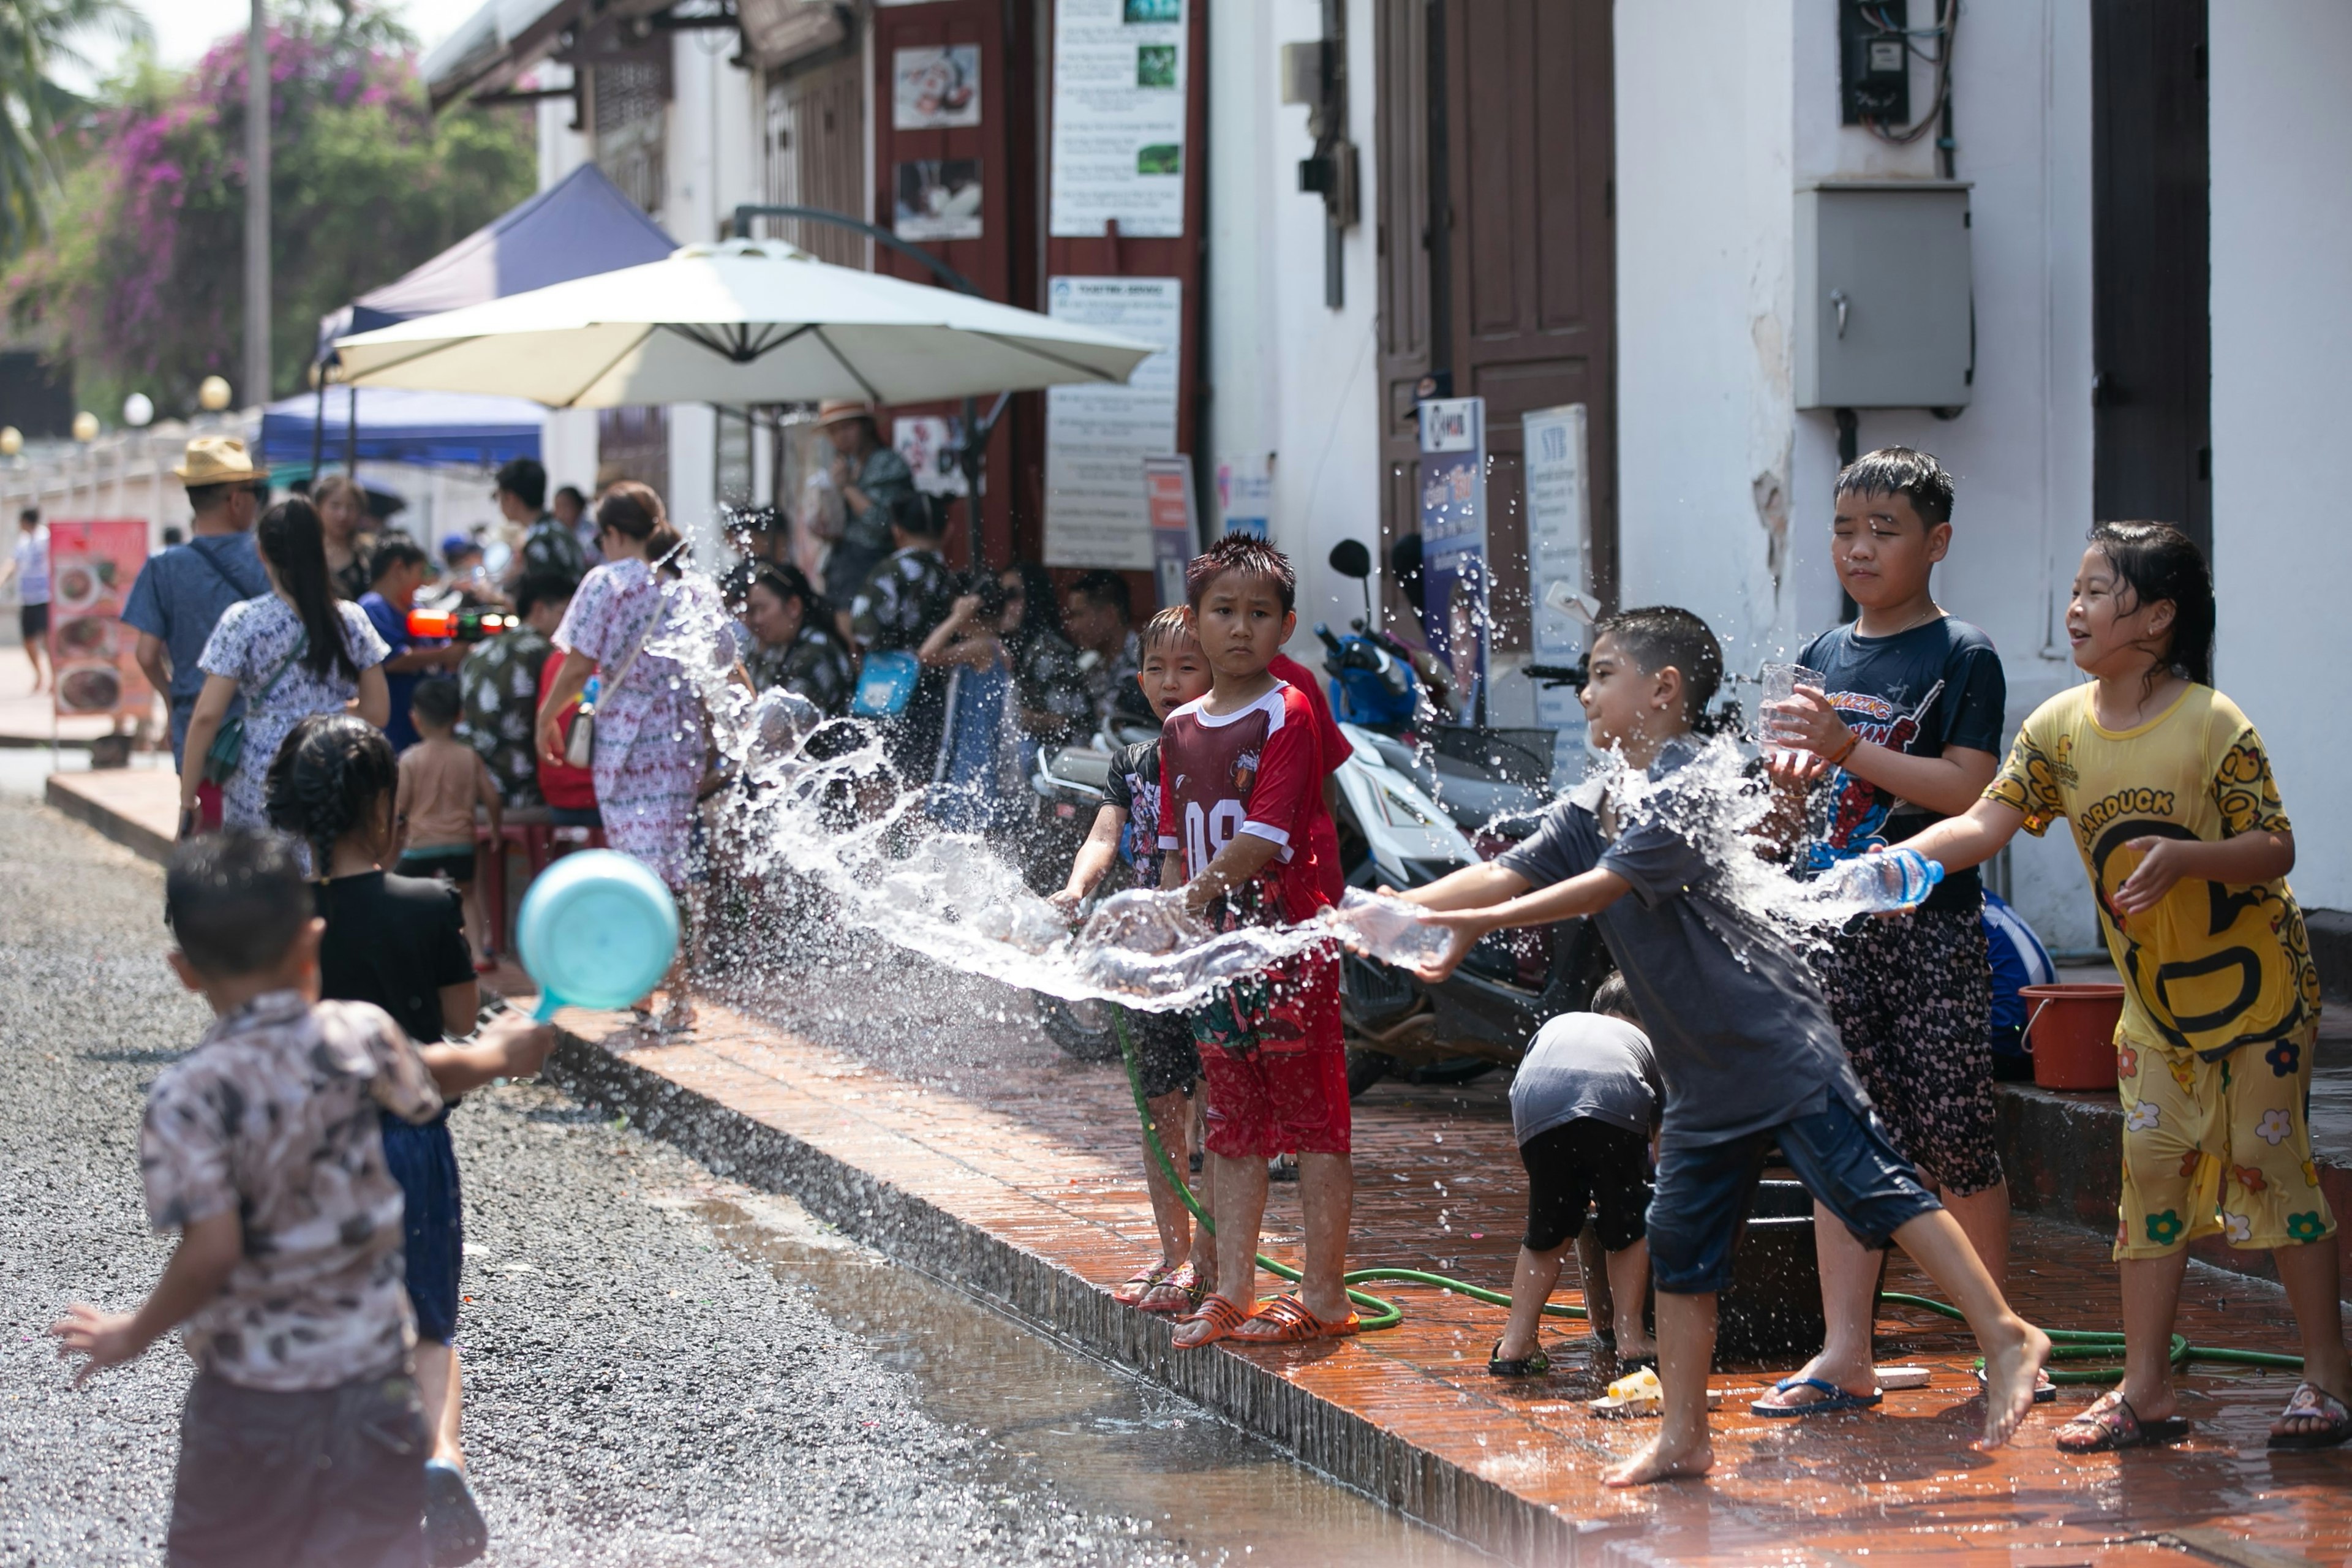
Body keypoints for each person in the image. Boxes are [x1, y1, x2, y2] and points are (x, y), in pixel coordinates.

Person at [1389, 606, 2048, 1485]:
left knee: (1873, 1189)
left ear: (1662, 691)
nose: (1585, 692)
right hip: (1699, 1067)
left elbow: (1599, 889)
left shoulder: (1694, 783)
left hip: (1774, 1044)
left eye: (1601, 672)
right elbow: (1518, 868)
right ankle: (1685, 1435)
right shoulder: (1603, 795)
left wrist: (1471, 927)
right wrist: (1417, 908)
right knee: (1684, 1239)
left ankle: (2007, 1336)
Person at [1894, 522, 2351, 1453]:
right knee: (2149, 1188)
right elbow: (1986, 823)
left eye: (2098, 590)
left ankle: (2326, 1377)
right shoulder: (2058, 729)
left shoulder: (2214, 726)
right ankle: (2145, 1392)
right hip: (2155, 1010)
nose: (2074, 608)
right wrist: (1895, 867)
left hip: (2261, 1005)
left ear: (2157, 618)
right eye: (2076, 588)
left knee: (2275, 1177)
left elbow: (2277, 846)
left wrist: (2188, 859)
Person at [45, 829, 540, 1568]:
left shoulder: (187, 1095)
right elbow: (450, 1067)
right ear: (312, 939)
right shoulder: (362, 1036)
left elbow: (212, 1247)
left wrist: (134, 1332)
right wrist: (513, 1050)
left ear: (184, 971)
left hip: (250, 1399)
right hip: (373, 1387)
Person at [1753, 447, 2022, 1415]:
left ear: (1937, 542)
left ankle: (1998, 1344)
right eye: (1844, 530)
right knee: (1844, 1141)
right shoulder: (1825, 656)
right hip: (1836, 932)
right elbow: (1794, 802)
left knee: (1954, 1139)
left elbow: (1968, 789)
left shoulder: (1963, 654)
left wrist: (1847, 748)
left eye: (1884, 530)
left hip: (1931, 931)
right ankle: (1845, 1350)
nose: (1859, 549)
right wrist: (1783, 799)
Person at [262, 715, 554, 1564]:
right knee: (427, 1323)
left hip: (307, 1150)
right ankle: (439, 1455)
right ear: (386, 811)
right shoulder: (430, 905)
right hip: (410, 1146)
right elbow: (462, 1028)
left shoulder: (282, 920)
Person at [1158, 537, 1356, 1350]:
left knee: (1311, 1119)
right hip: (1216, 956)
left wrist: (1188, 900)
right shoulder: (1178, 728)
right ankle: (1233, 1287)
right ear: (1194, 621)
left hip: (1287, 945)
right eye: (1224, 612)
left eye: (1260, 614)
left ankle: (1325, 1292)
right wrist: (1170, 923)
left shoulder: (1290, 708)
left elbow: (1267, 836)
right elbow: (1174, 841)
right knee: (1232, 1121)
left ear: (1287, 625)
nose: (1241, 629)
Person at [1053, 606, 1216, 1314]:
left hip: (1208, 957)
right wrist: (1077, 885)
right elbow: (1104, 832)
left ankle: (1211, 1262)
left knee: (1214, 1115)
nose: (1169, 681)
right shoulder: (1133, 763)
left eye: (1187, 667)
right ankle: (1173, 1253)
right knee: (1160, 1112)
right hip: (1144, 961)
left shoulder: (1226, 753)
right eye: (1156, 668)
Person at [537, 481, 734, 1033]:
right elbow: (726, 668)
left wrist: (546, 717)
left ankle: (676, 995)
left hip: (628, 743)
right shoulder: (692, 587)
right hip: (681, 743)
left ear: (614, 534)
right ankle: (653, 988)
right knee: (661, 867)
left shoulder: (608, 583)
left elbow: (577, 669)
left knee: (645, 871)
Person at [180, 498, 391, 837]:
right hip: (336, 757)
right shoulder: (352, 618)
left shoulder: (243, 621)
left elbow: (207, 716)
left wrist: (188, 798)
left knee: (267, 875)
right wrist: (331, 712)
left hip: (263, 766)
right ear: (320, 547)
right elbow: (378, 712)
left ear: (262, 552)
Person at [1490, 973, 1660, 1378]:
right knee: (1629, 1226)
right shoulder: (1649, 1045)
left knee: (1546, 1230)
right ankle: (1631, 1337)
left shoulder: (1565, 1023)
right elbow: (1665, 1148)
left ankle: (1516, 1343)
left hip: (1535, 1102)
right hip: (1615, 1095)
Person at [126, 439, 273, 830]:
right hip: (264, 721)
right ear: (237, 500)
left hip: (196, 724)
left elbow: (145, 654)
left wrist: (172, 695)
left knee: (210, 840)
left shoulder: (163, 566)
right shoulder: (269, 557)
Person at [850, 489, 958, 785]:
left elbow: (863, 629)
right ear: (947, 532)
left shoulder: (887, 572)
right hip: (935, 696)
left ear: (897, 532)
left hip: (886, 693)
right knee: (920, 784)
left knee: (880, 783)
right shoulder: (949, 579)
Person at [397, 678, 502, 965]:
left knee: (406, 896)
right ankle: (479, 954)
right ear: (459, 716)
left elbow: (400, 807)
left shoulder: (409, 759)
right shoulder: (468, 756)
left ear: (414, 719)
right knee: (467, 896)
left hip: (420, 846)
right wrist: (494, 829)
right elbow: (492, 798)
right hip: (460, 844)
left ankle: (414, 951)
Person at [917, 572, 1021, 833]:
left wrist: (957, 617)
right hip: (975, 748)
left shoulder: (982, 648)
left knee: (962, 827)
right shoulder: (993, 647)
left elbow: (927, 654)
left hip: (973, 754)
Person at [461, 571, 573, 808]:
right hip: (531, 794)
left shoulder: (479, 651)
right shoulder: (549, 655)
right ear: (540, 609)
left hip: (480, 792)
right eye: (567, 613)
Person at [361, 535, 465, 752]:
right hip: (392, 725)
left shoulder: (416, 609)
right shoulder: (372, 608)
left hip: (427, 727)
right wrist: (446, 655)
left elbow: (444, 640)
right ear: (399, 568)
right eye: (420, 572)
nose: (423, 581)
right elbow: (391, 659)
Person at [816, 400, 917, 606]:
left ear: (866, 426)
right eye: (833, 432)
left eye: (847, 427)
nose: (840, 437)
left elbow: (881, 523)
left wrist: (847, 487)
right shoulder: (848, 464)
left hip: (874, 564)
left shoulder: (887, 463)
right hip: (843, 564)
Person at [1000, 560, 1093, 752]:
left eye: (1012, 596)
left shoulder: (1049, 652)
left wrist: (1009, 714)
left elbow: (1065, 721)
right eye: (1000, 596)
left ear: (1034, 599)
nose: (1003, 605)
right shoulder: (1013, 647)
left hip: (1061, 759)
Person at [741, 561, 856, 715]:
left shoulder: (816, 654)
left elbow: (784, 724)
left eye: (762, 609)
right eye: (753, 611)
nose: (757, 620)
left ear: (793, 606)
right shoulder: (776, 648)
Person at [1065, 568, 1144, 726]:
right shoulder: (1090, 666)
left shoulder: (1146, 662)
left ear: (1110, 615)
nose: (1072, 626)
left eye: (1079, 615)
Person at [497, 457, 587, 587]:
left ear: (511, 498)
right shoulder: (557, 528)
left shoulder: (540, 541)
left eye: (498, 496)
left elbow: (546, 603)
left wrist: (495, 596)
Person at [311, 474, 377, 602]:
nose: (343, 515)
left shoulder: (368, 553)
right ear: (318, 507)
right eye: (335, 506)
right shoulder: (305, 550)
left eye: (351, 507)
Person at [4, 505, 48, 692]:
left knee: (49, 640)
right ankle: (39, 675)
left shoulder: (46, 538)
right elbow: (13, 562)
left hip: (46, 597)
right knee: (29, 639)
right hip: (28, 598)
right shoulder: (22, 542)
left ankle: (55, 678)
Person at [552, 483, 596, 564]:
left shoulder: (592, 533)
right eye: (557, 507)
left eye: (565, 506)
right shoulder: (557, 532)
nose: (560, 513)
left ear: (578, 506)